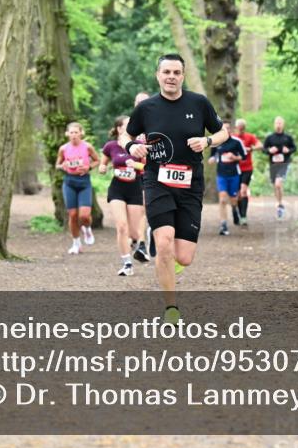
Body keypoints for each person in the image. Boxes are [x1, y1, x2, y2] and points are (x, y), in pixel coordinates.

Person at [126, 54, 227, 324]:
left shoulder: (199, 102)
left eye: (177, 72)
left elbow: (223, 133)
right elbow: (128, 133)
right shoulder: (146, 108)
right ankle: (171, 308)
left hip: (191, 184)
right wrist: (131, 146)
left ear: (183, 76)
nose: (171, 76)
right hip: (157, 180)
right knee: (164, 243)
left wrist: (207, 141)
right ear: (157, 75)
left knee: (185, 256)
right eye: (166, 71)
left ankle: (168, 262)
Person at [99, 114, 149, 276]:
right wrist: (102, 168)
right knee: (121, 226)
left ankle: (139, 241)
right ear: (119, 128)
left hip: (135, 187)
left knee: (134, 233)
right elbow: (103, 162)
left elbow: (148, 167)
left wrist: (135, 164)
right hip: (117, 188)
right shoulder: (110, 146)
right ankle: (127, 264)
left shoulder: (139, 145)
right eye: (128, 124)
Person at [55, 122, 100, 254]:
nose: (74, 135)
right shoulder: (63, 149)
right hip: (69, 182)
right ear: (67, 134)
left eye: (76, 132)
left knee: (85, 215)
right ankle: (76, 243)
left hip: (84, 182)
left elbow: (97, 160)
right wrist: (62, 166)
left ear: (81, 133)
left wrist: (89, 167)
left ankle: (87, 228)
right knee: (73, 215)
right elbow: (57, 164)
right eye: (71, 132)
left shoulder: (87, 147)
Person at [208, 122, 247, 236]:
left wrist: (235, 157)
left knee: (233, 199)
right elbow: (213, 156)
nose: (227, 130)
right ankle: (223, 224)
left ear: (231, 130)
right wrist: (212, 159)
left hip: (234, 174)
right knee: (223, 199)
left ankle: (235, 210)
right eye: (224, 128)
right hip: (221, 175)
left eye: (228, 128)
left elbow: (244, 156)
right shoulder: (216, 143)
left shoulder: (236, 142)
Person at [231, 118, 263, 227]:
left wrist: (251, 148)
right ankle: (238, 214)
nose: (241, 131)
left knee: (243, 191)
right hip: (235, 169)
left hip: (247, 168)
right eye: (239, 129)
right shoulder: (233, 138)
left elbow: (260, 145)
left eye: (242, 129)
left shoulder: (249, 137)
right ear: (236, 128)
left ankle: (244, 216)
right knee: (237, 194)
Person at [263, 116, 297, 220]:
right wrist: (269, 151)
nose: (278, 125)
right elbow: (263, 149)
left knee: (278, 183)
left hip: (284, 164)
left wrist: (288, 150)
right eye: (277, 123)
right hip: (273, 164)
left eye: (280, 123)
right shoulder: (270, 138)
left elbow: (294, 148)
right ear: (274, 124)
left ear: (283, 124)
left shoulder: (288, 137)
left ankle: (280, 203)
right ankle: (279, 204)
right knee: (276, 185)